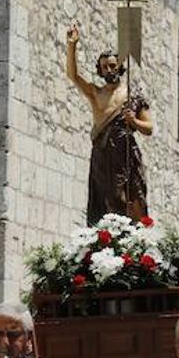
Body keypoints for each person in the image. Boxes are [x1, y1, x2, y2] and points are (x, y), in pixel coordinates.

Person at [66, 23, 154, 223]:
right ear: (100, 70)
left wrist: (134, 121)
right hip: (102, 152)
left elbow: (149, 128)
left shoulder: (133, 95)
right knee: (102, 201)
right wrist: (72, 46)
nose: (109, 70)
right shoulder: (96, 93)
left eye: (113, 65)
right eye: (104, 67)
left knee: (128, 198)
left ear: (120, 66)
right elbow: (73, 76)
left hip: (124, 153)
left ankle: (129, 241)